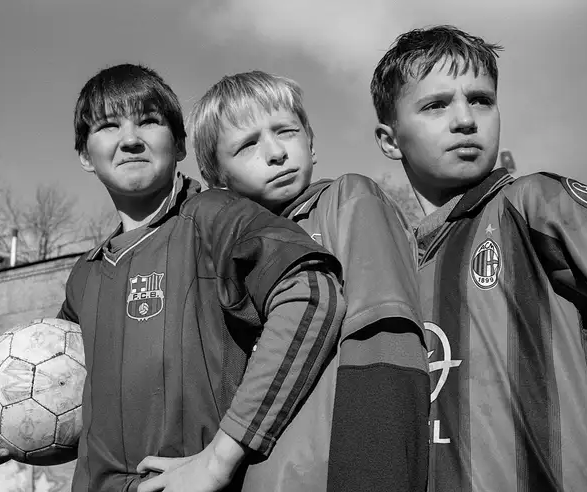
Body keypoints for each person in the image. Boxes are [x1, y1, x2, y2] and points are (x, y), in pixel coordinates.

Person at [0, 63, 347, 492]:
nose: (130, 139)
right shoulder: (84, 278)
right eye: (108, 126)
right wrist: (5, 432)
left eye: (148, 121)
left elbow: (312, 293)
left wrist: (220, 457)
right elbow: (76, 407)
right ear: (85, 155)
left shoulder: (216, 218)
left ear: (178, 145)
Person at [370, 25, 587, 492]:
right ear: (389, 140)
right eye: (437, 104)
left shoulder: (535, 203)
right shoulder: (390, 273)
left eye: (481, 99)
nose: (465, 120)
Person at [182, 70, 430, 491]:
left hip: (340, 474)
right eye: (247, 145)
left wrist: (379, 478)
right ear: (217, 178)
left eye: (286, 131)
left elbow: (387, 343)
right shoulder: (231, 254)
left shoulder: (348, 200)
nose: (276, 152)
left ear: (311, 142)